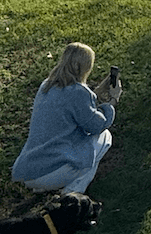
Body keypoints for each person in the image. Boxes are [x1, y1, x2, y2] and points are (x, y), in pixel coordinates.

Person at [11, 43, 121, 194]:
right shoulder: (78, 93)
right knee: (104, 137)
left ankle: (42, 188)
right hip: (51, 172)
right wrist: (112, 101)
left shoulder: (46, 86)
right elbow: (96, 125)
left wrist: (95, 93)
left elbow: (74, 107)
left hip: (29, 170)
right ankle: (73, 193)